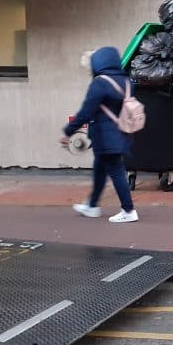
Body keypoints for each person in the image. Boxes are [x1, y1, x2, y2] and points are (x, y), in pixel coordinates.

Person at [62, 47, 139, 223]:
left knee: (116, 171)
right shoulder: (127, 81)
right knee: (100, 168)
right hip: (122, 132)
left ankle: (128, 210)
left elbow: (86, 112)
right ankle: (92, 205)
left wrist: (69, 131)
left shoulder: (100, 83)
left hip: (105, 136)